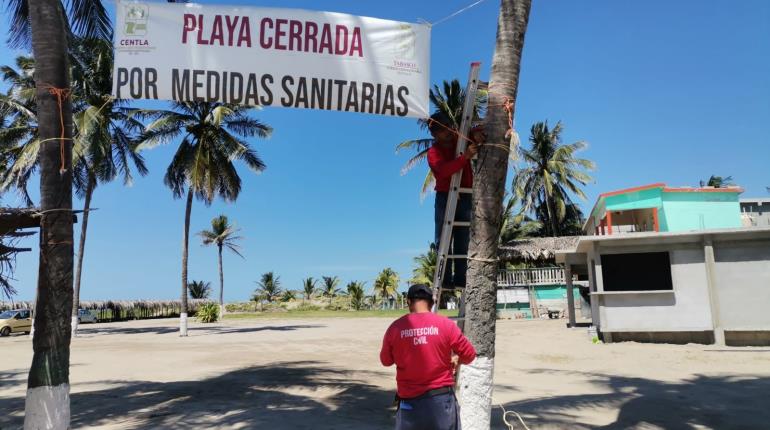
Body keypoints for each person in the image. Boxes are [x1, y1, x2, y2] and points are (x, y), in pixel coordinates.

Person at [380, 284, 476, 430]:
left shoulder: (395, 328)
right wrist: (456, 359)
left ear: (408, 302)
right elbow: (469, 355)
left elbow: (386, 361)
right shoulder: (446, 325)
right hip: (441, 401)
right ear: (432, 303)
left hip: (409, 405)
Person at [426, 111, 482, 289]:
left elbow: (476, 131)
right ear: (434, 134)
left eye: (449, 126)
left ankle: (460, 277)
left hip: (465, 194)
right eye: (442, 130)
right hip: (445, 196)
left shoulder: (460, 140)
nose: (448, 131)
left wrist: (478, 133)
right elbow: (442, 171)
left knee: (462, 238)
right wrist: (464, 157)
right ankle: (445, 279)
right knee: (443, 238)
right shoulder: (434, 152)